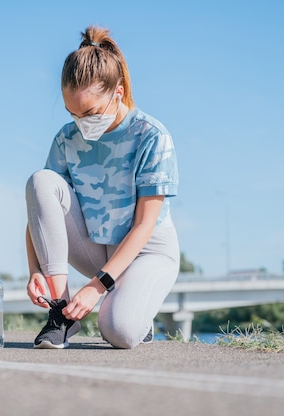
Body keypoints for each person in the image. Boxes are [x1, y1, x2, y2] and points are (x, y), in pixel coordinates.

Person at [25, 26, 180, 349]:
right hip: (96, 246)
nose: (82, 123)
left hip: (147, 251)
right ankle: (61, 315)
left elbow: (143, 225)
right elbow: (41, 206)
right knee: (41, 179)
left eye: (90, 113)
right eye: (73, 114)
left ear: (118, 94)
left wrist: (96, 287)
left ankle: (136, 313)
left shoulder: (152, 136)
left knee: (119, 332)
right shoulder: (66, 138)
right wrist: (34, 268)